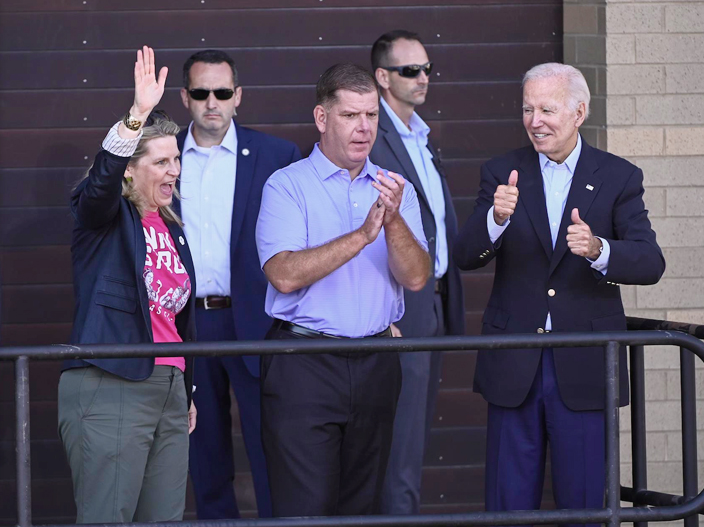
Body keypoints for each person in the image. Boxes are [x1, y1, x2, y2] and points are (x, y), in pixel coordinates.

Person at [454, 62, 665, 527]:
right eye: (527, 109)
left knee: (587, 505)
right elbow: (465, 255)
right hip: (515, 363)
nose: (535, 120)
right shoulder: (500, 172)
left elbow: (650, 262)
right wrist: (495, 219)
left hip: (585, 363)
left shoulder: (618, 176)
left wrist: (597, 249)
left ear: (579, 112)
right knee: (508, 507)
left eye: (547, 109)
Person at [255, 62, 430, 517]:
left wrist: (392, 222)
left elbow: (415, 277)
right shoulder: (286, 184)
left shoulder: (396, 189)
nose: (364, 128)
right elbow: (284, 274)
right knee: (304, 510)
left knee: (364, 506)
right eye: (351, 116)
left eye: (371, 115)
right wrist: (360, 236)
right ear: (321, 119)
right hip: (304, 364)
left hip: (376, 362)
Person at [59, 46, 197, 524]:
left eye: (176, 160)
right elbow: (99, 185)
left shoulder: (173, 227)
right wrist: (137, 115)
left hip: (170, 386)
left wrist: (186, 387)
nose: (173, 171)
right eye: (160, 162)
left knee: (164, 518)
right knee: (106, 519)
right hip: (113, 380)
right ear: (131, 169)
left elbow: (176, 319)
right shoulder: (103, 217)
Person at [176, 49, 301, 520]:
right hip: (189, 325)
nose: (213, 102)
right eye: (203, 92)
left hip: (257, 322)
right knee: (203, 456)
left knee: (271, 450)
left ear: (238, 97)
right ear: (185, 97)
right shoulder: (164, 156)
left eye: (222, 92)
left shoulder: (276, 156)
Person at [368, 30, 465, 515]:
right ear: (382, 77)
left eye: (427, 68)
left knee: (415, 433)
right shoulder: (373, 137)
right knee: (400, 443)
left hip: (434, 303)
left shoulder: (419, 136)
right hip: (400, 305)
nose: (423, 77)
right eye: (411, 70)